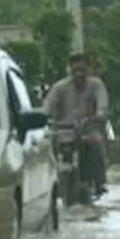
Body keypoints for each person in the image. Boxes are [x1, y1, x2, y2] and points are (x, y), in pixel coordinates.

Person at [42, 52, 110, 199]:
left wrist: (98, 114)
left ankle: (99, 181)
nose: (79, 74)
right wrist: (46, 118)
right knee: (44, 146)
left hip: (88, 127)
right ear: (70, 70)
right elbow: (47, 107)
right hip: (62, 130)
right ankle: (50, 182)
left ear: (89, 70)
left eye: (82, 71)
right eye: (75, 71)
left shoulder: (96, 85)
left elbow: (102, 106)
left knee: (96, 143)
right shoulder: (59, 87)